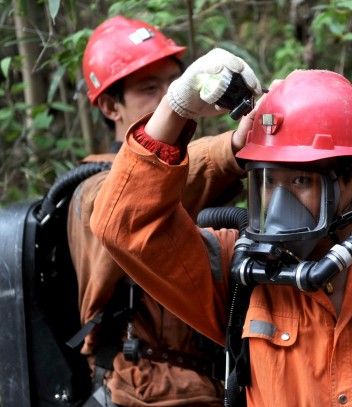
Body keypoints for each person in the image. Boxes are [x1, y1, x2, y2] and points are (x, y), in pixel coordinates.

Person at [90, 58, 352, 405]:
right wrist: (176, 111)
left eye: (299, 181)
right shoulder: (238, 271)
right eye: (267, 181)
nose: (279, 204)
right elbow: (124, 224)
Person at [68, 17, 261, 406]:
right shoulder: (90, 190)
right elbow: (127, 203)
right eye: (149, 88)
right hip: (139, 393)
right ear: (110, 105)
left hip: (208, 387)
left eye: (172, 84)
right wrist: (232, 147)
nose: (169, 96)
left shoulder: (179, 172)